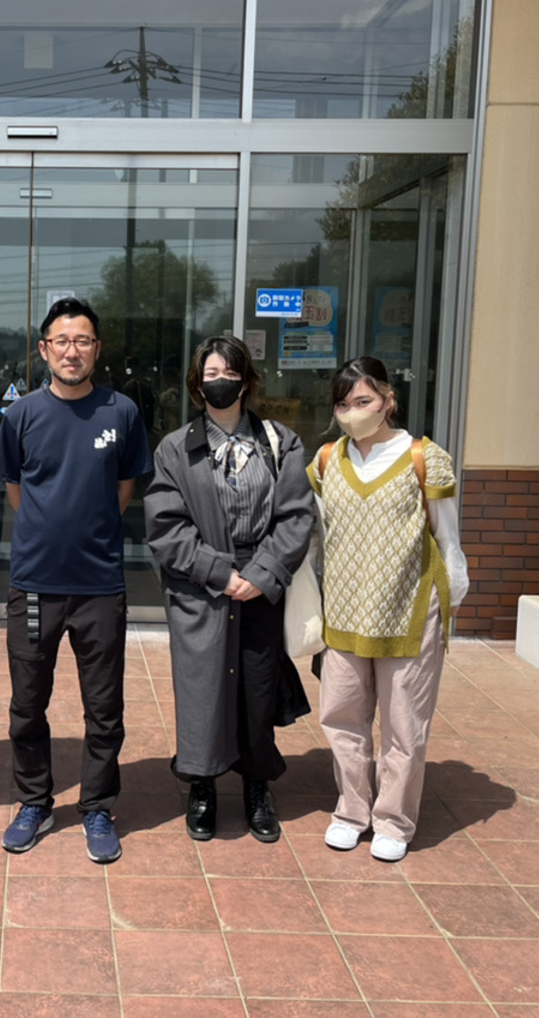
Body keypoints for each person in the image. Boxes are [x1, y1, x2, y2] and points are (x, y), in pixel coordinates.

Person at [0, 297, 153, 864]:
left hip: (100, 584)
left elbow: (124, 489)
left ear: (97, 349)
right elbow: (15, 489)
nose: (72, 350)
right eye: (61, 341)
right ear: (44, 349)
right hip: (35, 583)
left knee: (104, 707)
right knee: (27, 702)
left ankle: (98, 807)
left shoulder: (121, 412)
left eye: (82, 340)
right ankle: (34, 801)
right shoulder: (21, 416)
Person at [145, 335, 315, 844]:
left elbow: (296, 515)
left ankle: (257, 785)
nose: (220, 382)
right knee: (202, 692)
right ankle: (202, 786)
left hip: (262, 585)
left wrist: (262, 574)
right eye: (210, 374)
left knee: (257, 688)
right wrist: (219, 573)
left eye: (230, 373)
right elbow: (166, 526)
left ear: (246, 381)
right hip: (201, 587)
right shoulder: (175, 448)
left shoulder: (280, 443)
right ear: (197, 385)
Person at [310, 356, 469, 862]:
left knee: (404, 724)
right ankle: (351, 811)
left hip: (409, 612)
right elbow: (320, 539)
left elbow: (447, 537)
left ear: (388, 400)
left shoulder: (424, 458)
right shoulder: (327, 461)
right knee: (341, 719)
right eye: (343, 404)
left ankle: (394, 820)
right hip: (344, 613)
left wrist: (452, 599)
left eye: (363, 401)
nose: (352, 412)